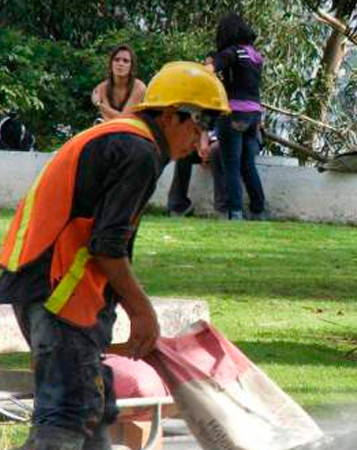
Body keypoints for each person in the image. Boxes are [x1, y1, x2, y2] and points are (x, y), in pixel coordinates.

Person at [0, 61, 229, 450]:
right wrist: (142, 311)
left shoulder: (125, 139)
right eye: (200, 123)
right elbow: (108, 245)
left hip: (45, 285)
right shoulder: (139, 152)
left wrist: (119, 304)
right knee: (67, 420)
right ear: (172, 116)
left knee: (92, 412)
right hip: (60, 293)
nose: (202, 138)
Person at [206, 13, 268, 221]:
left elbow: (208, 71)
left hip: (233, 113)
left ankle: (235, 212)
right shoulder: (255, 56)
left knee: (230, 165)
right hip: (254, 116)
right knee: (247, 164)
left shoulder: (231, 53)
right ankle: (258, 210)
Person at [167, 130, 228, 217]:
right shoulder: (203, 118)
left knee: (215, 151)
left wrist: (208, 150)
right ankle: (178, 205)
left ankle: (222, 209)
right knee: (183, 153)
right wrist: (200, 148)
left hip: (221, 145)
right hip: (203, 145)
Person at [91, 45, 147, 121]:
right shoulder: (102, 88)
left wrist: (100, 105)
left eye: (125, 61)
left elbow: (124, 119)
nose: (120, 64)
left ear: (131, 66)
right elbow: (108, 119)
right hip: (111, 128)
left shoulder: (139, 87)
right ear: (111, 64)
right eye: (116, 60)